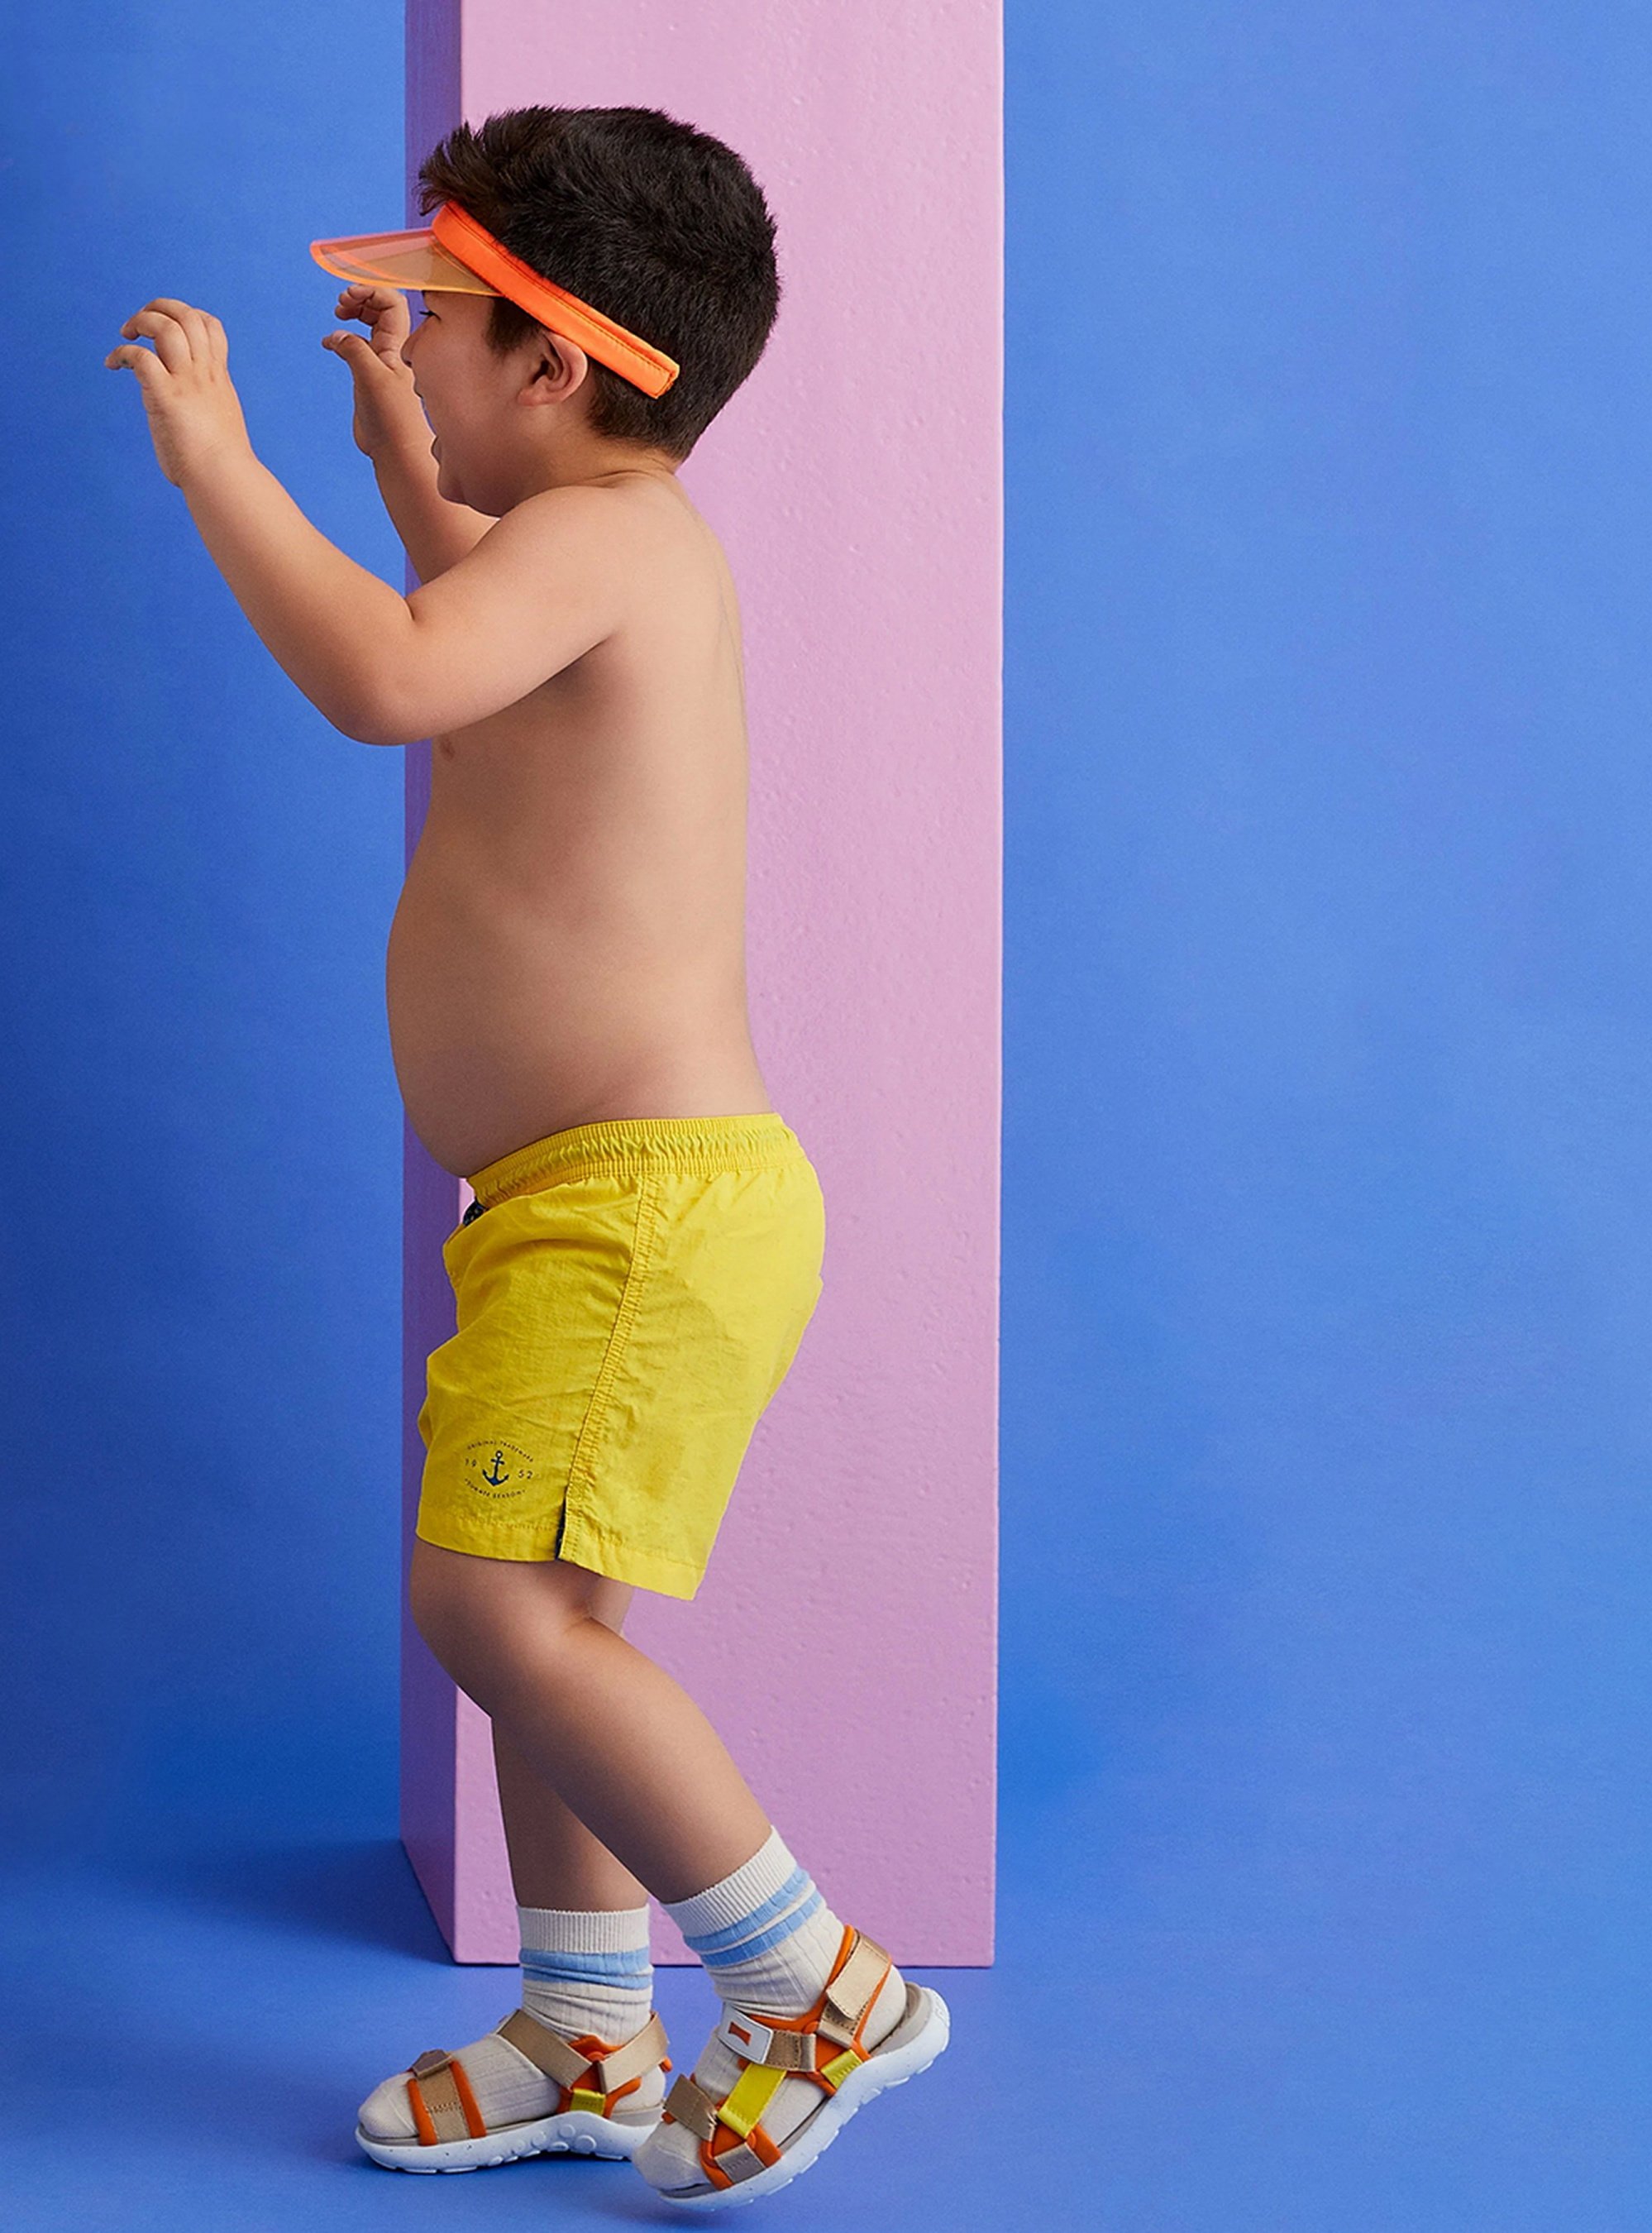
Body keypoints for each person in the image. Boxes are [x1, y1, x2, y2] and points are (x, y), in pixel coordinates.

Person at [103, 103, 948, 2207]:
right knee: (548, 1620)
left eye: (440, 326)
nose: (413, 347)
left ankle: (817, 1984)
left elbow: (398, 680)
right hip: (587, 1207)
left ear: (552, 365)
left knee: (494, 1614)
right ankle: (587, 2026)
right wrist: (407, 460)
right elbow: (480, 657)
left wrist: (220, 465)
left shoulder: (612, 543)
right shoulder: (592, 551)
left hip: (638, 1212)